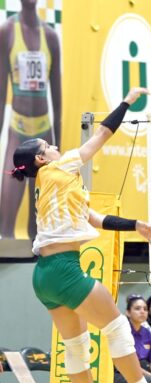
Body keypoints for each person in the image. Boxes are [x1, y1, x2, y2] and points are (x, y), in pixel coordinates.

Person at [10, 87, 151, 383]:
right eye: (49, 147)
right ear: (40, 158)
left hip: (45, 276)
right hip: (64, 269)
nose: (56, 148)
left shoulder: (56, 186)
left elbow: (96, 218)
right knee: (117, 325)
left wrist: (136, 225)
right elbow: (103, 134)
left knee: (76, 346)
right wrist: (127, 101)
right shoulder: (58, 168)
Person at [0, 0, 61, 239]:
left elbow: (58, 102)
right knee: (5, 222)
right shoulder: (6, 32)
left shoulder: (51, 37)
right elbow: (1, 94)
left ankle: (41, 272)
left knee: (39, 224)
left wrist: (58, 147)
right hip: (18, 131)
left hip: (44, 133)